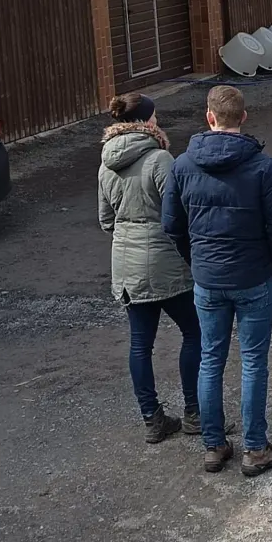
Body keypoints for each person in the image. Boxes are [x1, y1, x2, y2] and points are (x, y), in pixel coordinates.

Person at [163, 86, 272, 477]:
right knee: (253, 361)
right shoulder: (263, 167)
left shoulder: (183, 165)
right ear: (244, 117)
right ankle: (255, 448)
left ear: (208, 117)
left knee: (211, 358)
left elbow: (172, 225)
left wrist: (196, 260)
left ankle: (214, 443)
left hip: (208, 278)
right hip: (254, 275)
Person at [97, 92, 200, 443]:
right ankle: (194, 412)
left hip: (126, 264)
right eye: (154, 117)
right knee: (194, 332)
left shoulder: (105, 163)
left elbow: (105, 220)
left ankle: (152, 418)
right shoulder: (160, 159)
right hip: (165, 262)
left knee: (140, 344)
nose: (158, 122)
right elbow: (177, 214)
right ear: (145, 122)